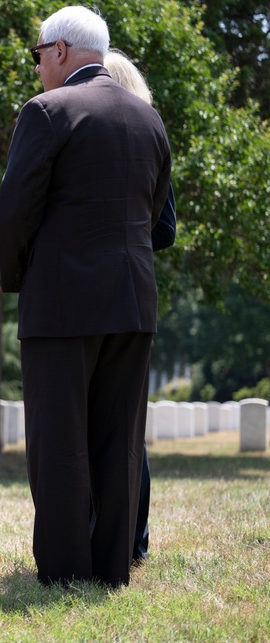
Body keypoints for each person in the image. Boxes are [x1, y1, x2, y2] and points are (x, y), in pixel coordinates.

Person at [0, 7, 172, 588]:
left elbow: (15, 213)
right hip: (133, 302)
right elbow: (157, 216)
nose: (38, 64)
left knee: (60, 441)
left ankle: (67, 570)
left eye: (38, 53)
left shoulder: (47, 111)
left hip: (62, 303)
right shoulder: (149, 119)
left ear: (62, 50)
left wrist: (22, 278)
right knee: (119, 440)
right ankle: (112, 568)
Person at [103, 48, 178, 564]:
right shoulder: (148, 135)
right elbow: (166, 228)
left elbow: (165, 227)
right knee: (126, 428)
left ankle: (123, 539)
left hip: (102, 294)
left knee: (110, 426)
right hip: (133, 291)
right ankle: (132, 542)